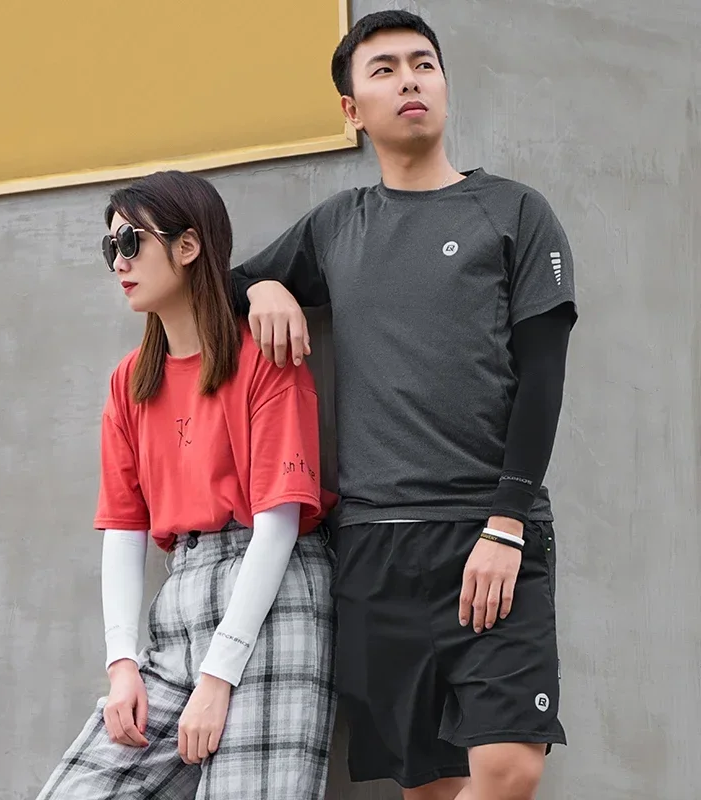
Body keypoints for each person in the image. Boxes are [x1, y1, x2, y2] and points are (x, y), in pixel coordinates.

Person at [231, 10, 577, 800]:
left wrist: (507, 523)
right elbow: (227, 284)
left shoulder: (514, 213)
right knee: (425, 784)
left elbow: (544, 377)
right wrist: (266, 287)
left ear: (445, 85)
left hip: (489, 530)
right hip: (374, 547)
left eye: (423, 64)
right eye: (383, 69)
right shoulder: (337, 225)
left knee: (508, 767)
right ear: (352, 109)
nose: (409, 79)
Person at [37, 170, 338, 800]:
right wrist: (122, 664)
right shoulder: (130, 382)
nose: (119, 262)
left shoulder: (262, 358)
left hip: (273, 598)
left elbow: (278, 525)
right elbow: (124, 528)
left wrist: (219, 677)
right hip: (180, 598)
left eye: (131, 242)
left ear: (188, 246)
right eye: (110, 247)